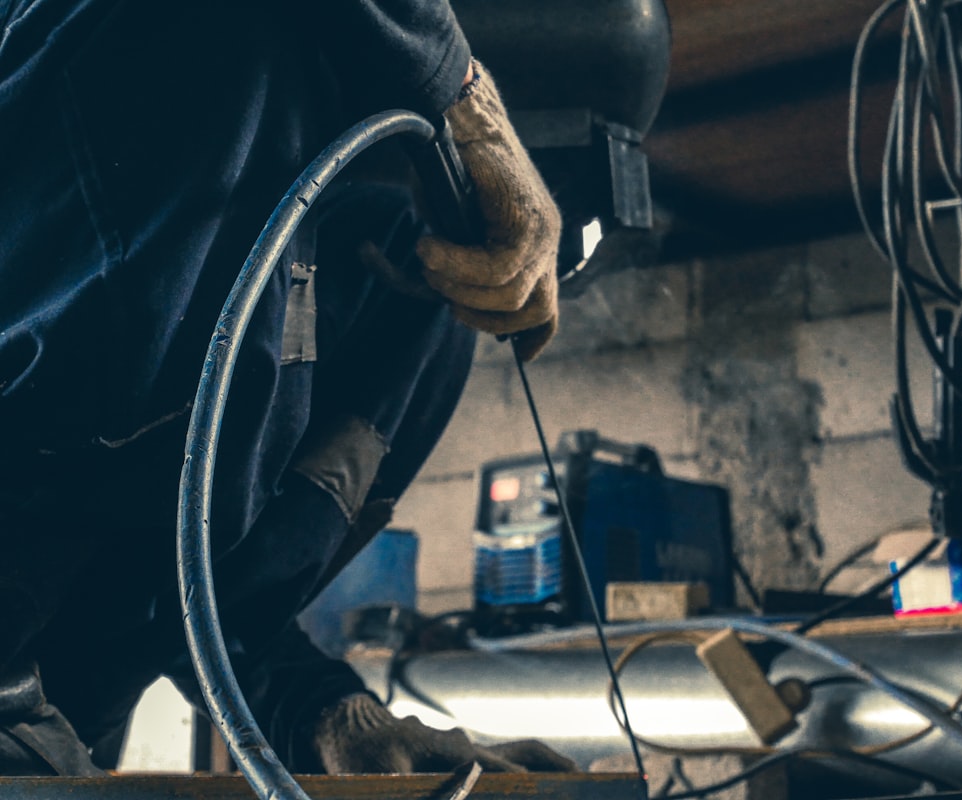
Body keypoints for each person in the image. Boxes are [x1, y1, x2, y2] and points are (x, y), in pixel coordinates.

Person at [0, 0, 572, 777]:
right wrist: (463, 100)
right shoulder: (171, 79)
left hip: (62, 728)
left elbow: (195, 587)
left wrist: (321, 712)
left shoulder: (382, 277)